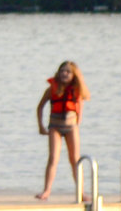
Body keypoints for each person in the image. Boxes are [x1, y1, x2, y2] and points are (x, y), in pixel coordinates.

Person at [35, 60, 89, 199]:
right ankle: (46, 190)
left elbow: (80, 105)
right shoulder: (51, 89)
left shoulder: (77, 90)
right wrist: (41, 126)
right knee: (53, 158)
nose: (64, 74)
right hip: (55, 127)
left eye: (68, 72)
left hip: (71, 128)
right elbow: (40, 107)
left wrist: (78, 120)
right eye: (62, 71)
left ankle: (81, 192)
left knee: (74, 159)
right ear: (58, 73)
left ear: (74, 75)